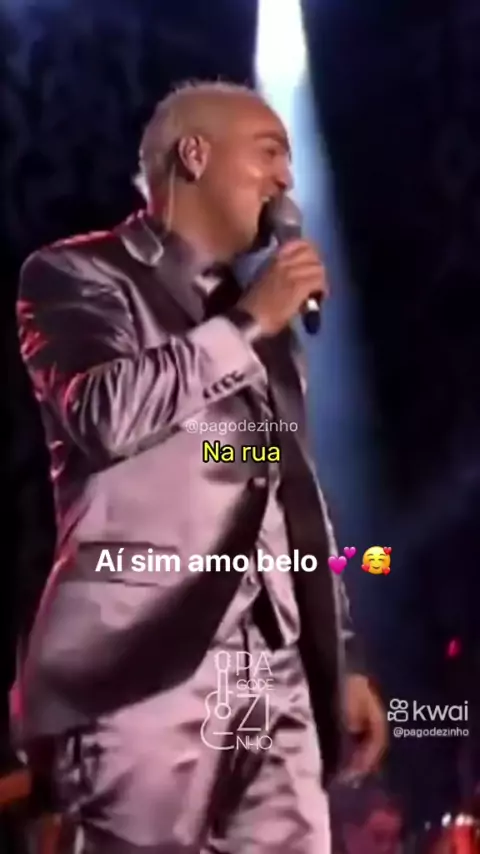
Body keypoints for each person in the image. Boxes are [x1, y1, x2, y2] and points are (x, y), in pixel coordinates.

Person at [14, 80, 387, 853]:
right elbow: (102, 413)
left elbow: (290, 492)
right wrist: (248, 323)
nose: (286, 179)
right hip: (143, 669)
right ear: (194, 155)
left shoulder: (266, 325)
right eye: (269, 153)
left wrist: (340, 655)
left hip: (272, 672)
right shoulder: (77, 275)